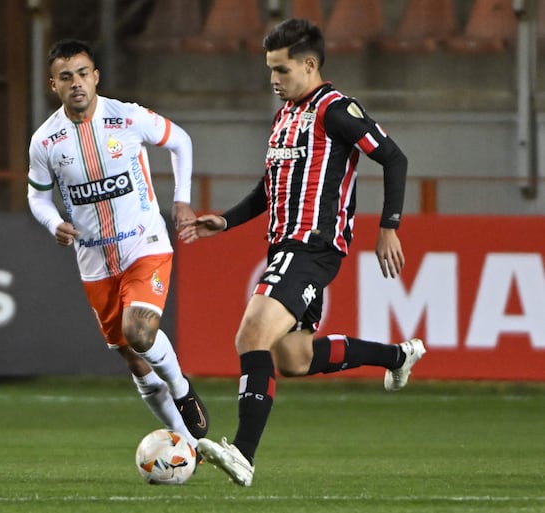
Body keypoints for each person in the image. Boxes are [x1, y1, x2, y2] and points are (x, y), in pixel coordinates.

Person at [178, 19, 426, 486]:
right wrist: (225, 220)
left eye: (282, 69)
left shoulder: (335, 110)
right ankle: (397, 356)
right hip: (286, 247)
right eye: (270, 69)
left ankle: (243, 455)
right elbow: (268, 189)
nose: (273, 79)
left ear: (310, 65)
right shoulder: (285, 116)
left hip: (311, 246)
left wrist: (388, 227)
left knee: (251, 334)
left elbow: (394, 157)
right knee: (294, 358)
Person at [27, 39, 209, 450]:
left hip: (143, 243)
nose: (76, 83)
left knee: (139, 331)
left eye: (83, 74)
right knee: (131, 355)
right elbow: (36, 196)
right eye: (66, 77)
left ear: (96, 77)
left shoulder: (126, 118)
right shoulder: (45, 141)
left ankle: (182, 389)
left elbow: (180, 140)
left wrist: (181, 199)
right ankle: (187, 447)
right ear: (53, 84)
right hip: (94, 260)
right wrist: (53, 221)